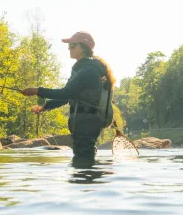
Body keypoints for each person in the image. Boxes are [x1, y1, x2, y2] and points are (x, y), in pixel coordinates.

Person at [20, 31, 115, 164]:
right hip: (86, 123)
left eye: (72, 45)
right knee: (84, 161)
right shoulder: (85, 68)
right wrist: (45, 106)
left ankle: (88, 183)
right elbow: (67, 97)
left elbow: (65, 93)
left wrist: (37, 90)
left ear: (82, 47)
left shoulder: (88, 70)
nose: (69, 48)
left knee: (82, 163)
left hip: (86, 124)